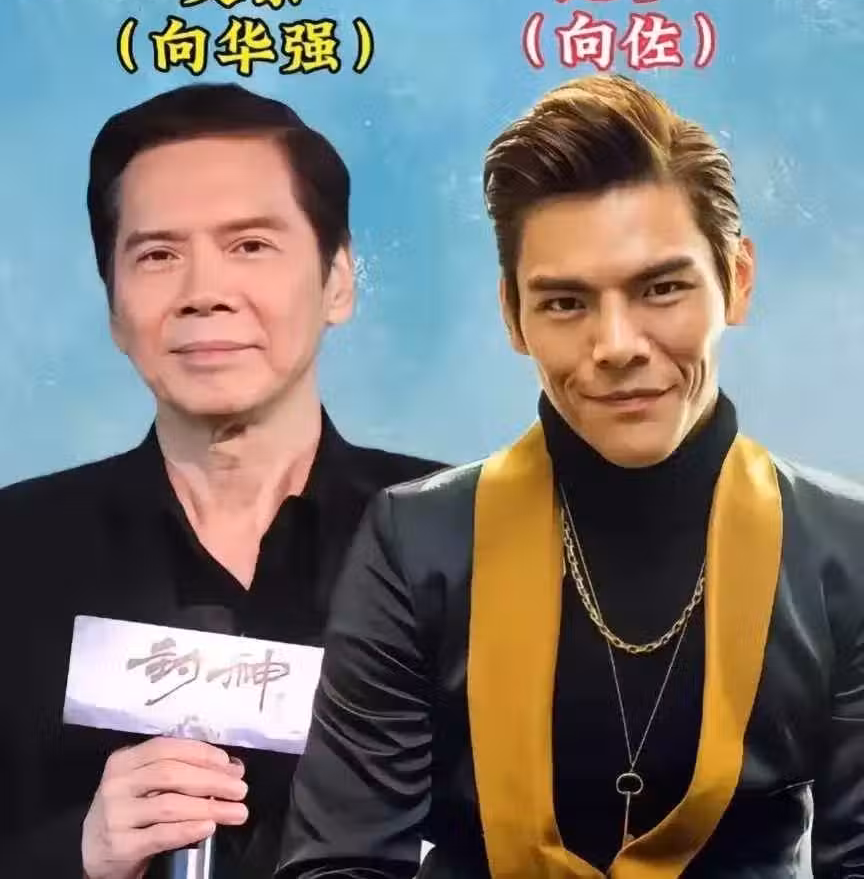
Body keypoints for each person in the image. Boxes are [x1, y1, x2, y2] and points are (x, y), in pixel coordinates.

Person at [278, 74, 864, 877]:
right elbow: (339, 863)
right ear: (512, 315)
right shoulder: (417, 545)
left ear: (738, 279)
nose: (616, 344)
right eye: (565, 303)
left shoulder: (843, 548)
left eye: (661, 288)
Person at [0, 83, 444, 879]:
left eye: (250, 246)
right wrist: (78, 854)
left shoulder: (463, 534)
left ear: (338, 280)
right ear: (113, 305)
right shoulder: (15, 549)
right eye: (158, 255)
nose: (204, 294)